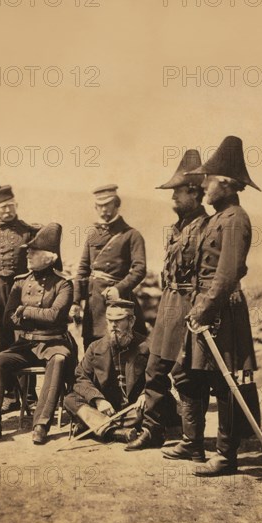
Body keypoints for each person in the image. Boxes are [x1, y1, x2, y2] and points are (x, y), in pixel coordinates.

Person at [172, 136, 260, 476]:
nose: (203, 185)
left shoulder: (236, 218)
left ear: (225, 182)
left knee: (226, 383)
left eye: (208, 180)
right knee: (188, 373)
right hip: (205, 308)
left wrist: (204, 308)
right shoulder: (218, 217)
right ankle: (192, 443)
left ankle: (226, 455)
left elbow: (228, 273)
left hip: (221, 312)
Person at [126, 150, 208, 453]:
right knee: (154, 367)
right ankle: (152, 429)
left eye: (178, 192)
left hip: (189, 307)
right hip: (169, 304)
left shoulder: (206, 227)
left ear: (195, 193)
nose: (172, 198)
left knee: (186, 374)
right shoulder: (178, 227)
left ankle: (192, 442)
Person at [0, 223, 76, 446]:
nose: (27, 254)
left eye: (33, 252)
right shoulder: (20, 282)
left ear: (49, 258)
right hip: (26, 345)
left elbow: (55, 316)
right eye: (28, 251)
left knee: (57, 360)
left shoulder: (64, 285)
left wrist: (25, 311)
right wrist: (29, 315)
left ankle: (41, 424)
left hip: (54, 343)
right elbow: (8, 319)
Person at [0, 185, 41, 411]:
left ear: (16, 205)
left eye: (10, 206)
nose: (7, 211)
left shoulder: (28, 231)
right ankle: (9, 396)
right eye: (2, 207)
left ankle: (29, 397)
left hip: (21, 291)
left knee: (23, 341)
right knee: (1, 344)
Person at [71, 185, 147, 349]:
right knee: (93, 350)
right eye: (100, 205)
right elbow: (83, 269)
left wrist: (118, 289)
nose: (104, 209)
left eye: (108, 204)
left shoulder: (131, 235)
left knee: (121, 350)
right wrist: (76, 301)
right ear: (95, 207)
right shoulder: (93, 234)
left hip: (118, 302)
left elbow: (139, 269)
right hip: (94, 305)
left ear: (117, 204)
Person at [64, 300, 148, 443]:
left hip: (134, 407)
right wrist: (98, 400)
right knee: (70, 399)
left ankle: (95, 426)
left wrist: (146, 393)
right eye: (110, 321)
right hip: (106, 406)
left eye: (118, 321)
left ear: (131, 321)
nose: (113, 326)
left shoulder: (147, 346)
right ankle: (116, 432)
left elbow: (158, 377)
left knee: (153, 405)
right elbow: (80, 377)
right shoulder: (95, 347)